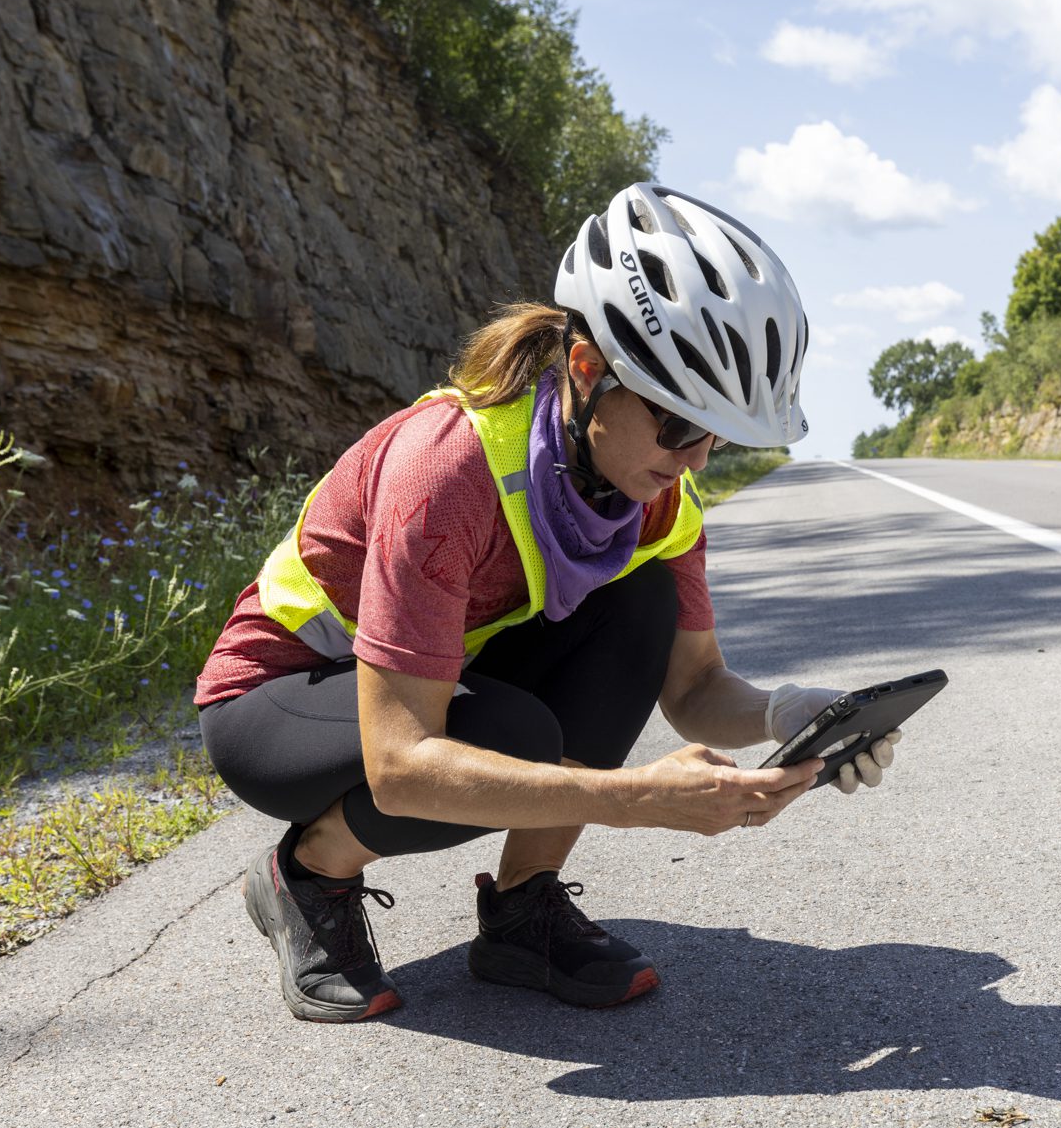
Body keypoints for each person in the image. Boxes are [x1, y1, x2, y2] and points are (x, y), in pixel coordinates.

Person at [195, 183, 902, 1023]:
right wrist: (635, 798)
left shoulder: (660, 501)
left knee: (638, 602)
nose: (698, 458)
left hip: (424, 677)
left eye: (718, 433)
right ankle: (309, 874)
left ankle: (522, 913)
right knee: (509, 739)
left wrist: (792, 710)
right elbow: (401, 760)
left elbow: (695, 689)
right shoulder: (446, 472)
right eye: (679, 423)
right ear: (587, 370)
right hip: (276, 696)